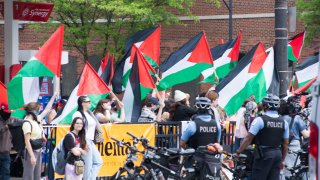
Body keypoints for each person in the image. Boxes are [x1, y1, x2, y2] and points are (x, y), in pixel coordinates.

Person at [235, 94, 289, 180]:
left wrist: (238, 152)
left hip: (263, 154)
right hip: (277, 154)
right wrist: (282, 159)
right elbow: (286, 143)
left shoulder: (260, 120)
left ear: (265, 106)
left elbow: (248, 138)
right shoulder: (284, 122)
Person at [22, 92, 58, 180]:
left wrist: (53, 97)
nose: (39, 111)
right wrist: (32, 156)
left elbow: (47, 110)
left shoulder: (36, 119)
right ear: (33, 111)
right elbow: (27, 141)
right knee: (29, 176)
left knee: (37, 176)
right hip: (31, 152)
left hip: (38, 150)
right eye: (38, 110)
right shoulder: (27, 123)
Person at [72, 96, 102, 180]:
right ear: (82, 103)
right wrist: (83, 141)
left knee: (98, 162)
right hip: (84, 140)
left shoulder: (89, 113)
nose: (90, 103)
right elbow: (76, 129)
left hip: (91, 141)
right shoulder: (77, 114)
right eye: (88, 101)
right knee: (88, 166)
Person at [279, 97, 309, 179]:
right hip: (294, 147)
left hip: (282, 146)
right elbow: (306, 135)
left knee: (284, 171)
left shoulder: (281, 118)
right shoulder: (297, 118)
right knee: (295, 171)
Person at [0, 104, 12, 180]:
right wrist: (5, 127)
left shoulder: (11, 119)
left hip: (6, 152)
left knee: (6, 171)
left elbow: (21, 121)